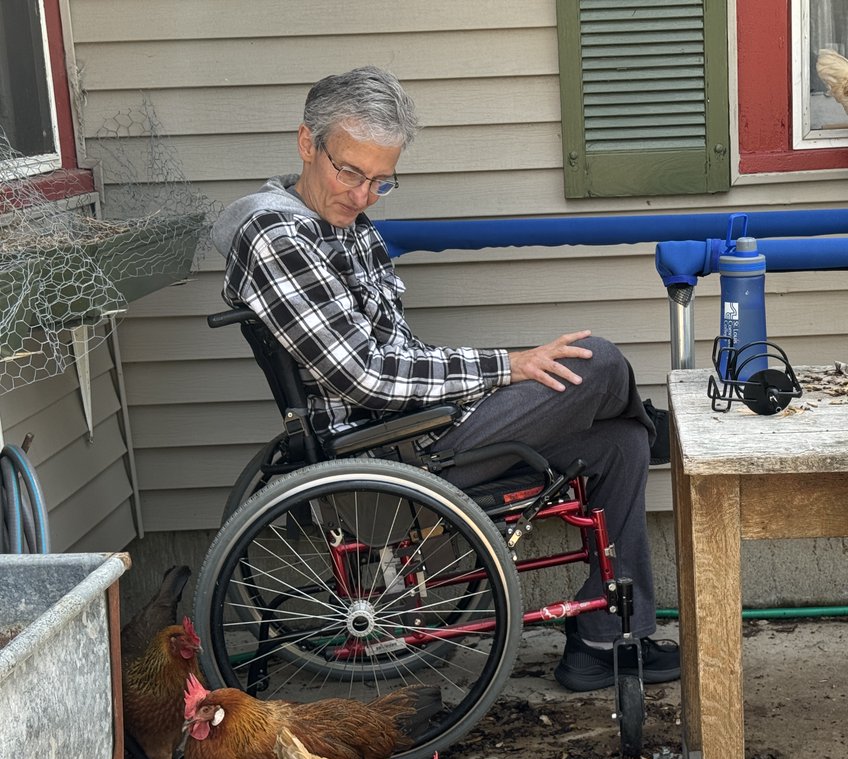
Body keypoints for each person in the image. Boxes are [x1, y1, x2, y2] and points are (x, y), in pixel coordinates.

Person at [210, 66, 678, 692]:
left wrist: (488, 381)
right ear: (306, 143)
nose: (362, 194)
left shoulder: (343, 225)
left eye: (381, 181)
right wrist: (504, 366)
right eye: (349, 171)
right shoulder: (278, 235)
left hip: (425, 424)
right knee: (599, 361)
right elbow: (367, 376)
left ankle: (605, 641)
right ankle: (658, 429)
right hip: (397, 448)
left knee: (619, 447)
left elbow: (398, 352)